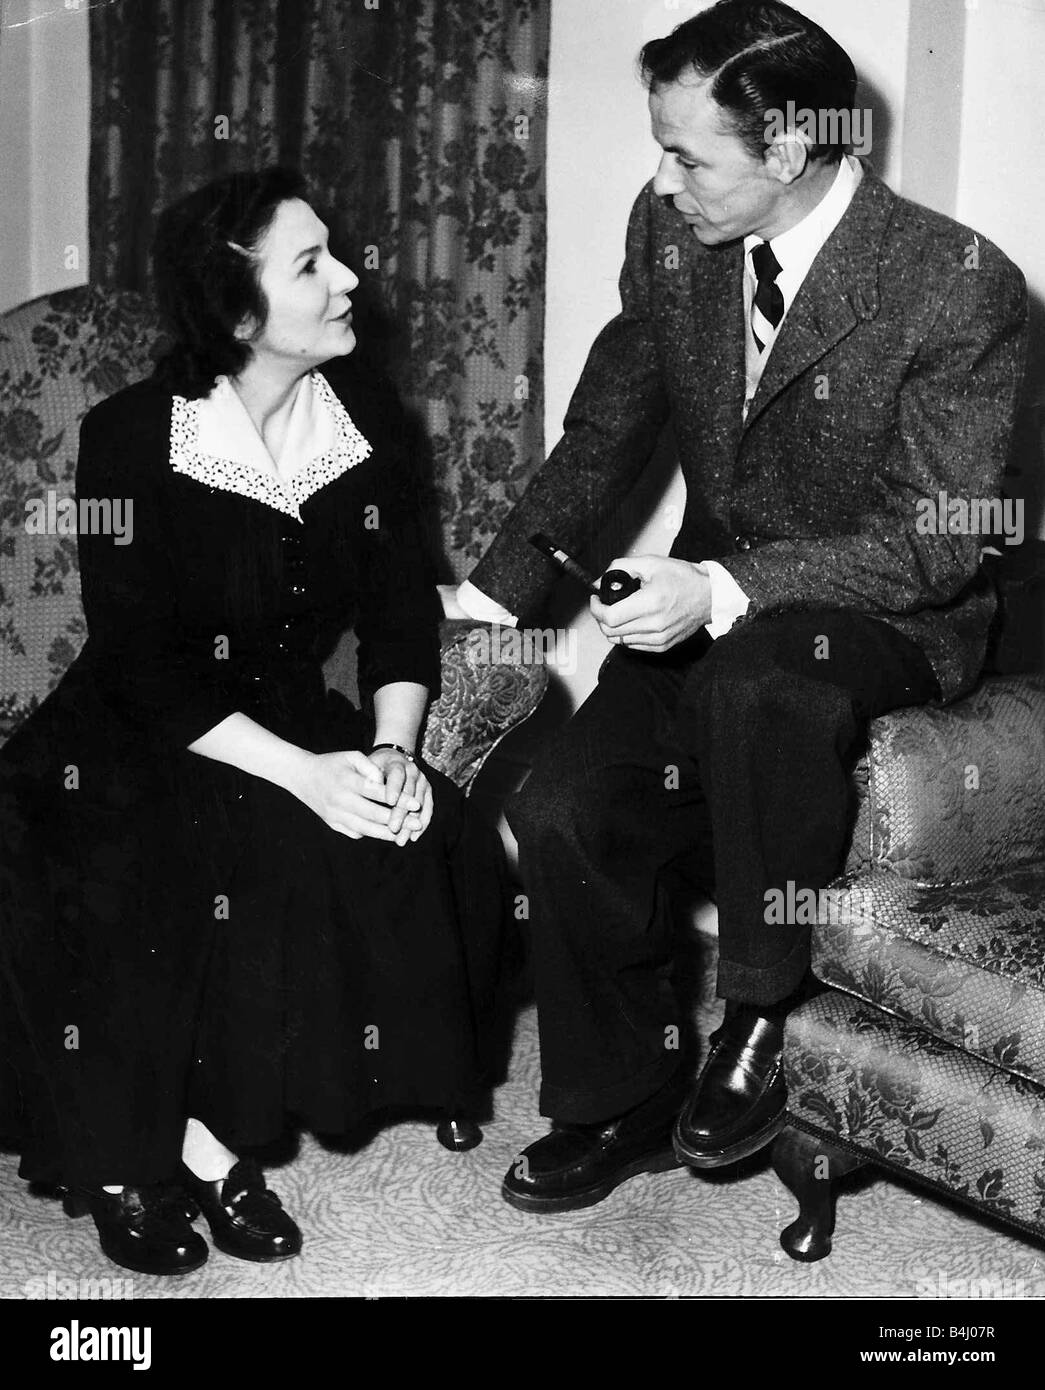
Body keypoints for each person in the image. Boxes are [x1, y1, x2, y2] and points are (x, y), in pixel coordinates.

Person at [443, 0, 1029, 1212]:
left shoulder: (953, 284)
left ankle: (763, 1010)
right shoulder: (671, 241)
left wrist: (718, 587)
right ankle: (622, 1102)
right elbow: (606, 431)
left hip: (882, 612)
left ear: (790, 150)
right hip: (714, 597)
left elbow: (936, 535)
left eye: (686, 154)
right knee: (562, 807)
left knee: (766, 679)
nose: (662, 182)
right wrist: (490, 600)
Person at [0, 167, 508, 1273]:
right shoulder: (129, 438)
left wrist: (388, 753)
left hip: (282, 716)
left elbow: (397, 622)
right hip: (137, 730)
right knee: (162, 870)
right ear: (238, 314)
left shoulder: (367, 420)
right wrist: (305, 776)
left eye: (337, 253)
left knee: (436, 843)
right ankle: (147, 1157)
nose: (350, 279)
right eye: (312, 263)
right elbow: (144, 664)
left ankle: (226, 1131)